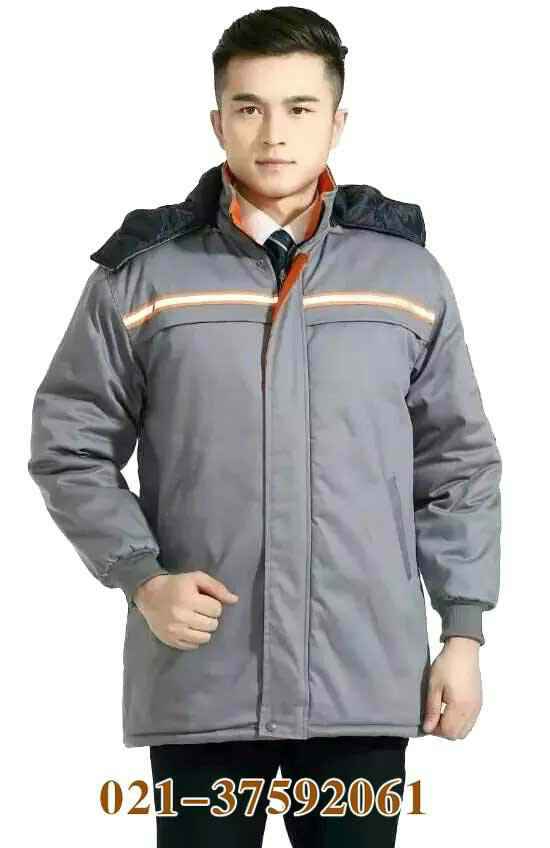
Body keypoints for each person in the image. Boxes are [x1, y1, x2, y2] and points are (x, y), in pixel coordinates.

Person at [27, 6, 502, 846]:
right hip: (201, 678)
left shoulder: (406, 278)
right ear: (218, 121)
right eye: (249, 107)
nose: (274, 133)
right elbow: (69, 445)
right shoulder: (144, 278)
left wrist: (462, 633)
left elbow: (457, 463)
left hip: (362, 677)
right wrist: (142, 577)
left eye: (299, 107)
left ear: (337, 121)